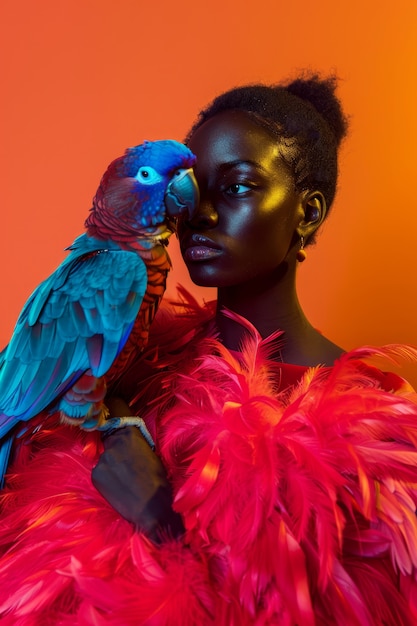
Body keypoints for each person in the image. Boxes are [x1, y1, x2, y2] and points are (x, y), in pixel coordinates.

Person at [0, 74, 416, 625]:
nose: (201, 211)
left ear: (307, 213)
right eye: (197, 182)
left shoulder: (379, 420)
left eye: (238, 186)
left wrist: (160, 518)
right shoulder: (140, 366)